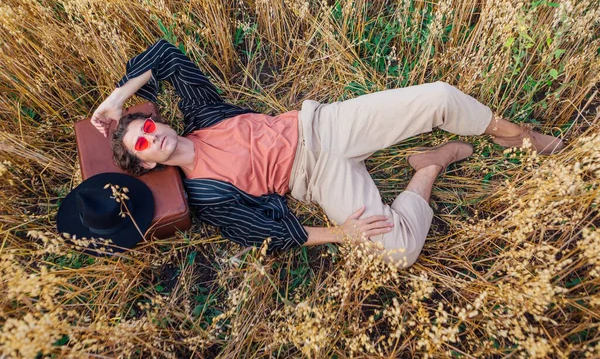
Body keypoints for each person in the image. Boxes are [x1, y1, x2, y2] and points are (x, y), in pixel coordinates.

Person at [91, 40, 565, 267]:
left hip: (326, 125)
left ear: (162, 121)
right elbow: (266, 232)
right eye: (143, 144)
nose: (153, 137)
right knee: (397, 250)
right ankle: (431, 164)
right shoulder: (204, 192)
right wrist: (343, 232)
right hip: (316, 178)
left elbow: (167, 57)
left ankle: (516, 135)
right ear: (149, 163)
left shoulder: (204, 115)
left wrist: (116, 100)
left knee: (439, 96)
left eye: (149, 125)